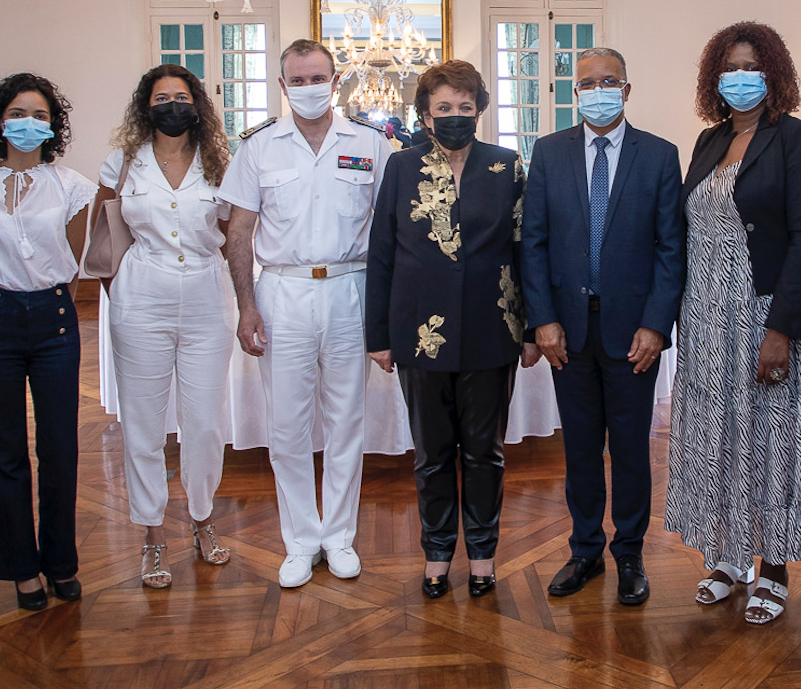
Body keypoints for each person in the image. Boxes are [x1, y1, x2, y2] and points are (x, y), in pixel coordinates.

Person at [665, 21, 801, 625]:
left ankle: (775, 567)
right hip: (706, 318)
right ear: (715, 77)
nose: (740, 78)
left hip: (764, 316)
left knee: (771, 441)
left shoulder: (795, 139)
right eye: (729, 68)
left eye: (751, 66)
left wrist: (781, 328)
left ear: (774, 74)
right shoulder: (707, 141)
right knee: (719, 438)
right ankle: (728, 557)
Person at [218, 39, 391, 588]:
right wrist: (247, 306)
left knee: (346, 422)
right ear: (283, 85)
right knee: (287, 426)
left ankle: (339, 536)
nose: (309, 87)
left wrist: (384, 316)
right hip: (283, 294)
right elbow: (238, 232)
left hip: (350, 289)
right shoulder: (258, 149)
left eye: (319, 77)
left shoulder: (370, 143)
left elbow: (389, 234)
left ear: (335, 81)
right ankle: (301, 540)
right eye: (298, 79)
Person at [365, 60, 537, 599]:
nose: (455, 116)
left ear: (480, 110)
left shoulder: (508, 167)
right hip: (420, 333)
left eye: (465, 107)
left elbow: (524, 252)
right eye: (444, 108)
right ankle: (437, 554)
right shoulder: (401, 167)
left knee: (484, 453)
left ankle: (482, 556)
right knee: (431, 454)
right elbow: (382, 253)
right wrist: (378, 335)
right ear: (425, 114)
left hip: (493, 329)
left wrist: (531, 329)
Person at [520, 48, 684, 606]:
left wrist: (657, 326)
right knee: (582, 449)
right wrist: (541, 319)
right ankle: (585, 549)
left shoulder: (660, 156)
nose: (598, 90)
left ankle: (630, 552)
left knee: (633, 450)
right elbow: (533, 245)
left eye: (608, 81)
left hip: (634, 333)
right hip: (567, 332)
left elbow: (670, 249)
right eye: (587, 83)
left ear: (627, 89)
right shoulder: (548, 153)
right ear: (575, 93)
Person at [0, 73, 93, 612]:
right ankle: (21, 568)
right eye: (17, 112)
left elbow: (73, 267)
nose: (27, 123)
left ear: (51, 124)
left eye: (38, 114)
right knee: (3, 450)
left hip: (54, 320)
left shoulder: (74, 187)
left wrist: (47, 300)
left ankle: (60, 562)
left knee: (59, 446)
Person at [95, 64, 235, 588]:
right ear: (145, 106)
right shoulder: (122, 162)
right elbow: (105, 238)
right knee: (144, 427)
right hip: (141, 301)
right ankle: (153, 534)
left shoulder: (221, 162)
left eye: (181, 96)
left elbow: (232, 231)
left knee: (203, 424)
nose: (171, 105)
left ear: (196, 105)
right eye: (161, 97)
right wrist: (123, 296)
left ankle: (203, 519)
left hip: (206, 299)